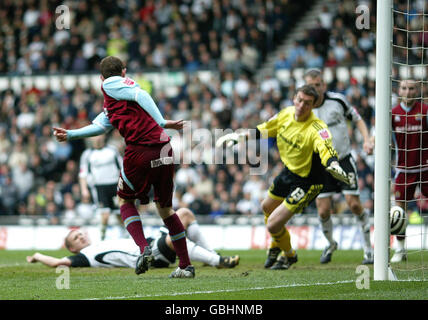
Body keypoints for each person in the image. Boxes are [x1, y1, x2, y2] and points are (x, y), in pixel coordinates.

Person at [53, 56, 193, 278]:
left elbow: (141, 94)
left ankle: (142, 248)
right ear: (125, 71)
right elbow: (99, 126)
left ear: (102, 77)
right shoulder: (118, 103)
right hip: (164, 149)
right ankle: (185, 266)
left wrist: (162, 121)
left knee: (125, 200)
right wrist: (71, 134)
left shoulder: (110, 84)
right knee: (165, 209)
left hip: (140, 150)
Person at [217, 85, 350, 270]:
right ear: (294, 98)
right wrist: (240, 137)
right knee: (266, 207)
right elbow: (264, 129)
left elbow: (326, 148)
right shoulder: (285, 114)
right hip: (290, 172)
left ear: (313, 106)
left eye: (308, 103)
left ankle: (289, 255)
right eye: (300, 100)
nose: (302, 105)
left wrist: (333, 164)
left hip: (308, 181)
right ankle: (276, 245)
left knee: (272, 225)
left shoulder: (317, 127)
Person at [294, 68, 374, 266]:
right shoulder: (303, 108)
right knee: (323, 211)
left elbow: (357, 119)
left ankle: (368, 250)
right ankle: (330, 243)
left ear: (324, 85)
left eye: (318, 85)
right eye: (311, 86)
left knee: (354, 204)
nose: (315, 89)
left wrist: (366, 139)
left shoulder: (338, 101)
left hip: (343, 160)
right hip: (320, 165)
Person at [26, 208, 240, 270]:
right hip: (149, 256)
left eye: (80, 233)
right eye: (76, 237)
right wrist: (37, 255)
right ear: (73, 249)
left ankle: (211, 255)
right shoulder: (85, 257)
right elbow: (58, 263)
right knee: (173, 237)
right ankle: (217, 261)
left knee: (184, 214)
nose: (81, 236)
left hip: (151, 242)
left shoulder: (103, 239)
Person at [390, 79, 428, 263]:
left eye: (412, 88)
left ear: (417, 90)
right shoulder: (393, 113)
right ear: (399, 90)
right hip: (404, 170)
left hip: (426, 167)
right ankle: (400, 249)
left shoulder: (425, 111)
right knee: (399, 211)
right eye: (404, 88)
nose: (408, 91)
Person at [79, 135, 123, 240]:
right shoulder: (87, 155)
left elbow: (122, 167)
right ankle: (102, 236)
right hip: (99, 188)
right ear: (91, 138)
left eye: (99, 135)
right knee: (105, 214)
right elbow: (82, 174)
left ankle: (126, 234)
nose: (97, 138)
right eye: (94, 136)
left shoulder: (112, 150)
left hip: (114, 186)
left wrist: (122, 185)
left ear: (104, 136)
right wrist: (84, 190)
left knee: (120, 213)